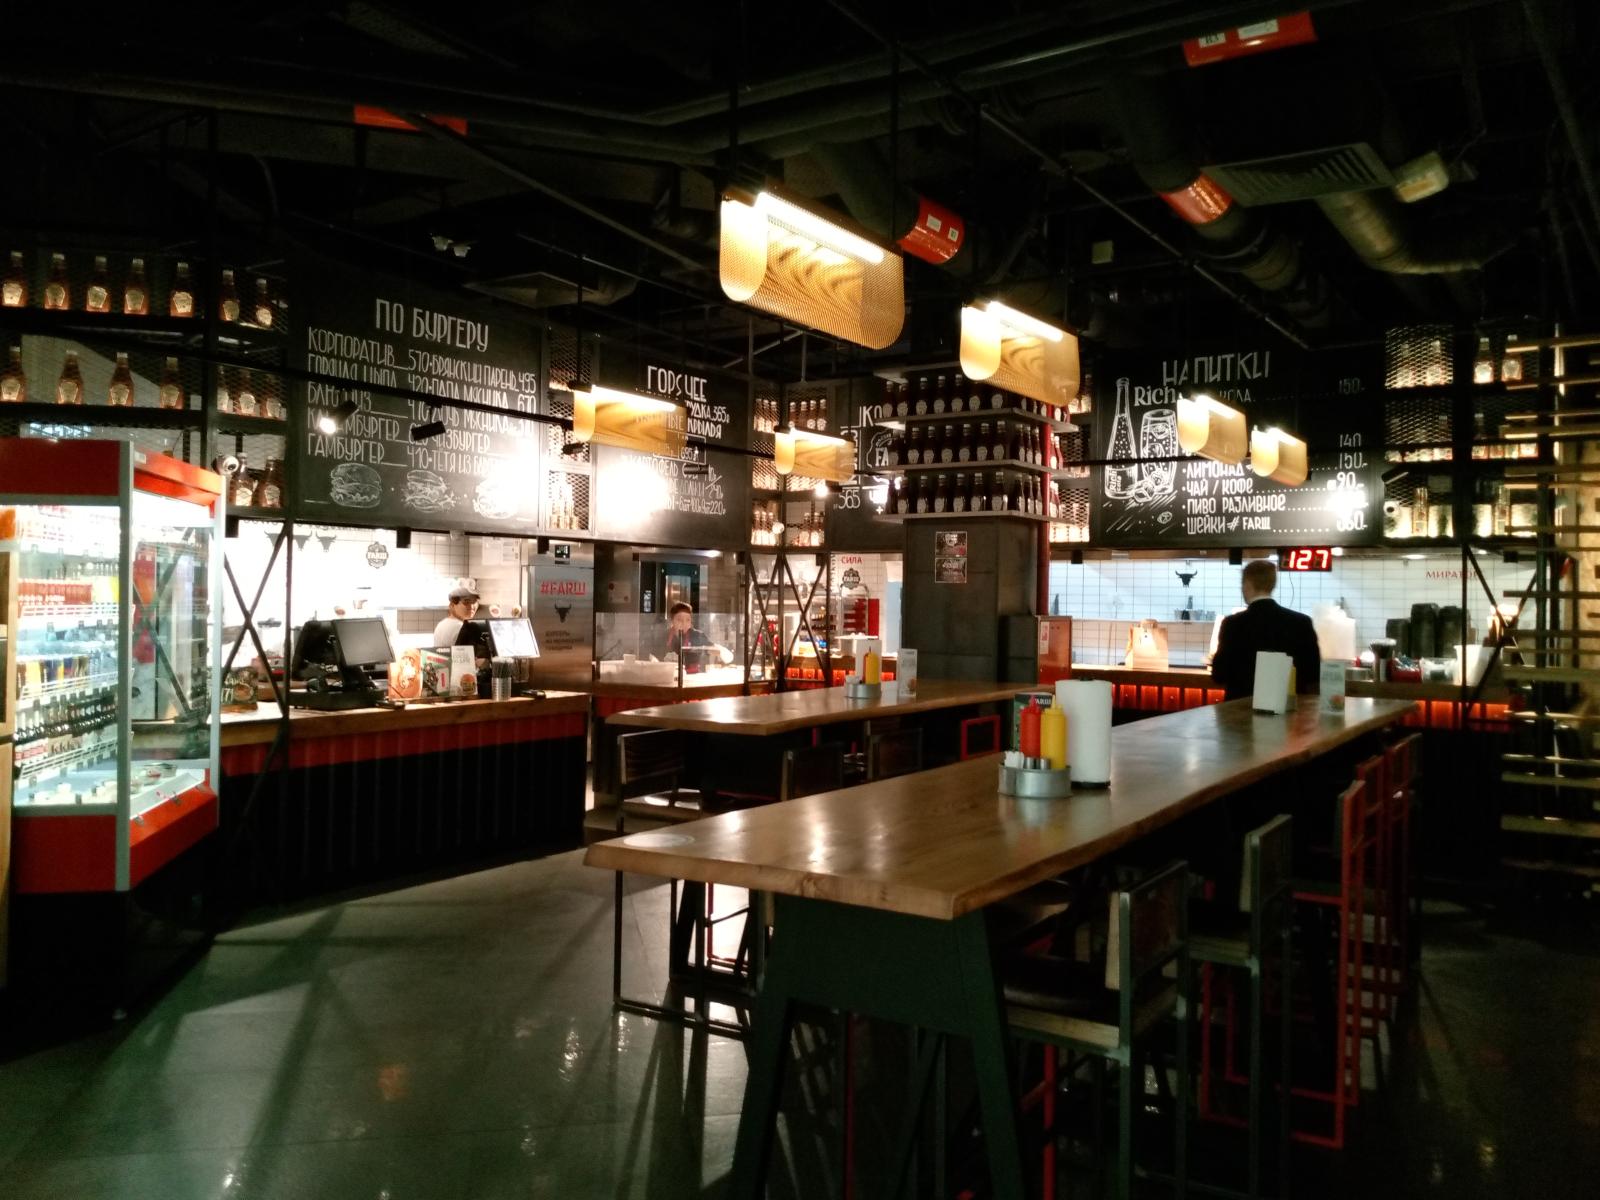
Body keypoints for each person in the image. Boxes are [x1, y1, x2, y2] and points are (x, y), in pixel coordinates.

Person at [1210, 560, 1321, 701]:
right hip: (1287, 707)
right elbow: (1313, 675)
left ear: (1247, 585)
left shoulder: (1232, 624)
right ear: (1272, 585)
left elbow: (1219, 675)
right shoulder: (1301, 622)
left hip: (1240, 708)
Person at [664, 602, 733, 666]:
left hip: (692, 673)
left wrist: (718, 651)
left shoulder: (697, 635)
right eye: (679, 620)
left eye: (688, 620)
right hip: (667, 673)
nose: (684, 624)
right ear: (672, 620)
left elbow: (726, 656)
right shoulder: (663, 636)